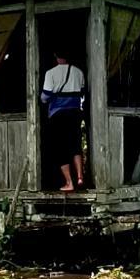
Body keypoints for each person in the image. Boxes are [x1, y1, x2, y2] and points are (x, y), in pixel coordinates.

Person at [40, 51, 86, 191]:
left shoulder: (50, 73)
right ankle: (80, 177)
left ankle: (69, 182)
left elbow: (45, 96)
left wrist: (45, 99)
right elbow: (82, 91)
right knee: (75, 144)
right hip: (75, 112)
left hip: (58, 114)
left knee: (60, 148)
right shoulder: (78, 72)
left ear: (56, 56)